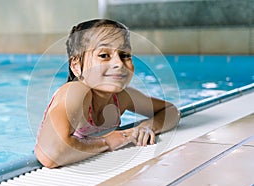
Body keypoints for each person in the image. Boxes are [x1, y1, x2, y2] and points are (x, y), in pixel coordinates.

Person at [34, 19, 180, 168]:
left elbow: (171, 111)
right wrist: (106, 142)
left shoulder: (122, 97)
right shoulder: (75, 91)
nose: (118, 63)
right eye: (104, 55)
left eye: (125, 55)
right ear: (76, 66)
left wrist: (147, 127)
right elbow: (50, 155)